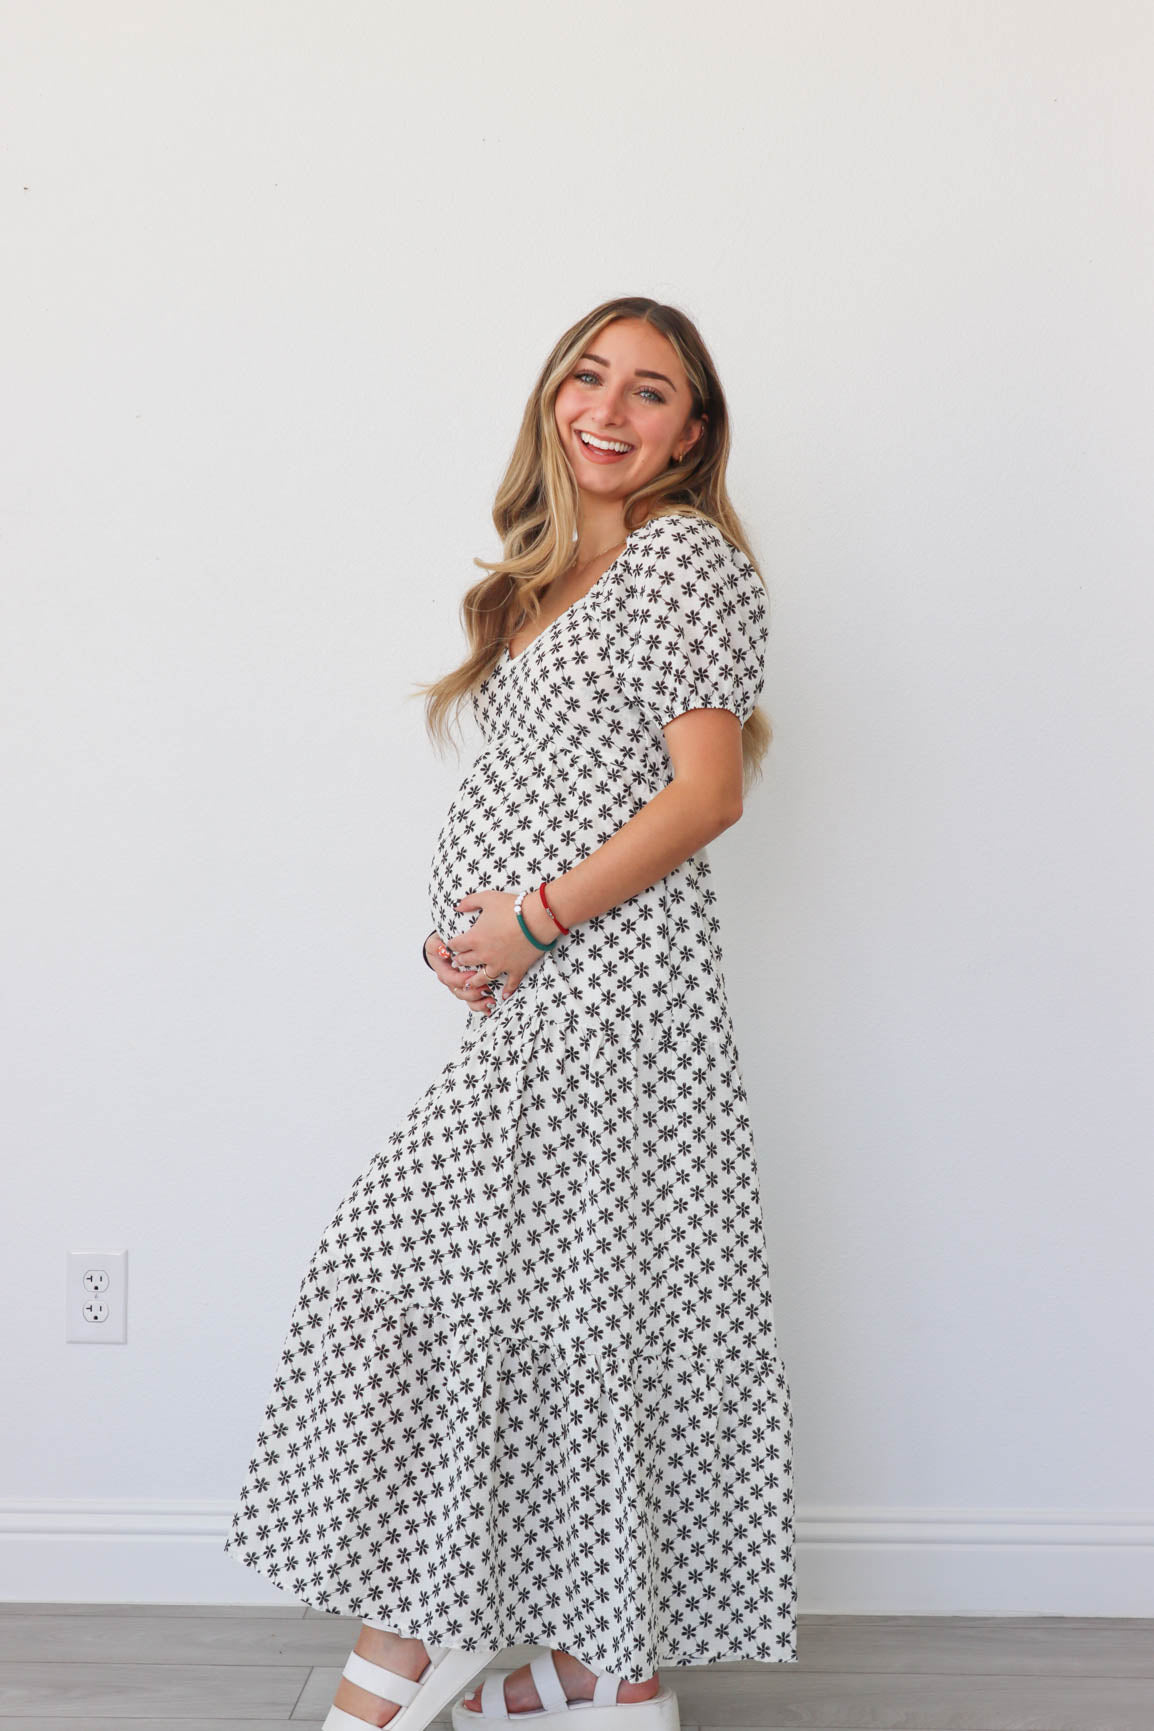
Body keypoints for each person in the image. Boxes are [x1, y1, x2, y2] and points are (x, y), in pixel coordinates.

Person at [223, 296, 796, 1731]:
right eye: (586, 377)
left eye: (649, 391)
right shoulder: (546, 583)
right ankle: (609, 1674)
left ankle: (384, 1683)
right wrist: (474, 934)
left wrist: (530, 920)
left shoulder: (679, 563)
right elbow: (556, 783)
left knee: (435, 1298)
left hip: (612, 1001)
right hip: (544, 1002)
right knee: (565, 1316)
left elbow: (704, 795)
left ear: (693, 430)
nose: (607, 408)